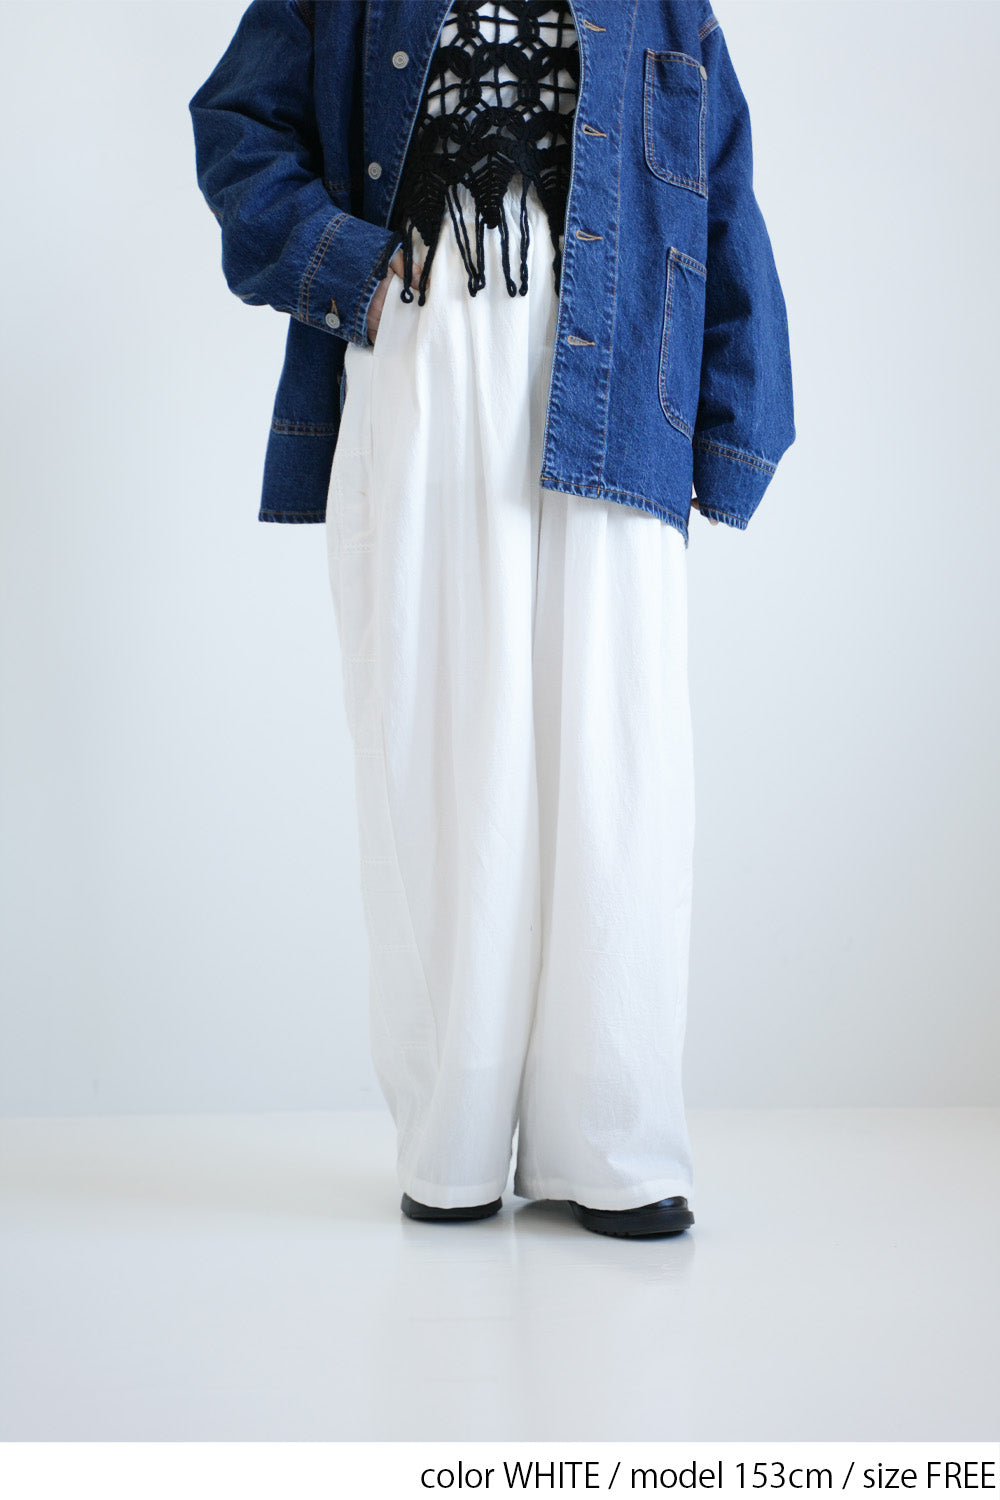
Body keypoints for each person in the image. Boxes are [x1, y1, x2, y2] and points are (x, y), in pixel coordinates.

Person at [188, 0, 795, 1238]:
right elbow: (236, 123)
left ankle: (614, 1144)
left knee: (616, 760)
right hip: (423, 362)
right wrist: (351, 270)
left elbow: (721, 185)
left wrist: (741, 420)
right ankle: (452, 1142)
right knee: (439, 747)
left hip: (618, 380)